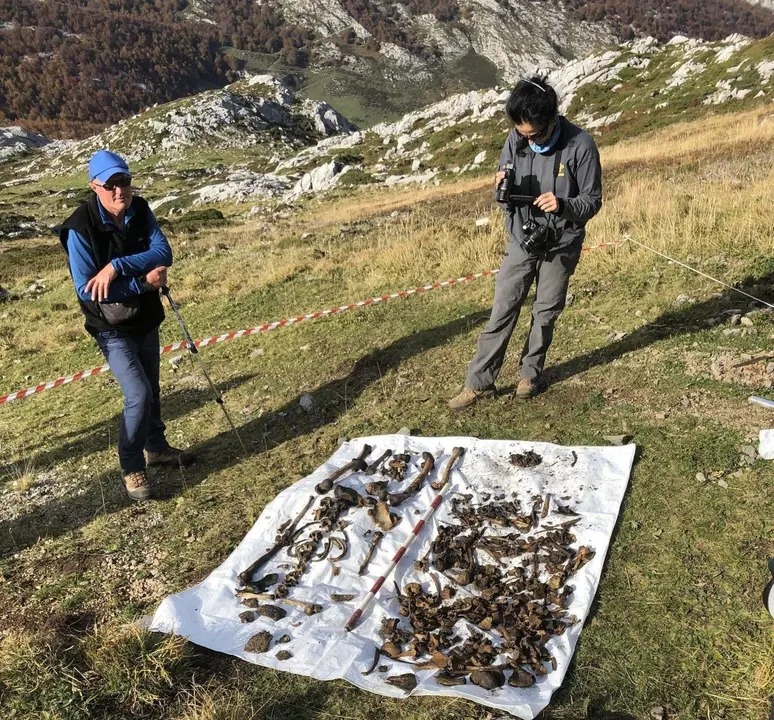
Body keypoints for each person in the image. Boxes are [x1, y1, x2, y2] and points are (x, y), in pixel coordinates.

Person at [448, 76, 603, 411]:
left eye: (533, 134)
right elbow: (505, 200)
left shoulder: (581, 145)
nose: (526, 139)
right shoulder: (516, 138)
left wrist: (563, 205)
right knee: (503, 308)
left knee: (545, 311)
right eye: (521, 132)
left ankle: (529, 375)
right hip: (523, 237)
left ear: (551, 120)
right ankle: (478, 383)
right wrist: (501, 191)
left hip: (561, 242)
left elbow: (592, 201)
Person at [60, 150, 195, 500]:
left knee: (152, 385)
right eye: (111, 184)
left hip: (146, 318)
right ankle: (132, 467)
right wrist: (143, 282)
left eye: (125, 182)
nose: (120, 191)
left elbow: (163, 253)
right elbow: (87, 290)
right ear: (94, 186)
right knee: (138, 394)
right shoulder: (79, 229)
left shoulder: (141, 208)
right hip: (110, 327)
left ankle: (157, 447)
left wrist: (117, 266)